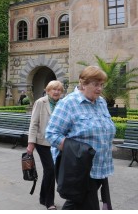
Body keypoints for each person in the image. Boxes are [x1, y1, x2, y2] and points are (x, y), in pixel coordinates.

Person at [45, 66, 116, 210]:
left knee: (79, 203)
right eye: (95, 84)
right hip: (81, 168)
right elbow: (52, 135)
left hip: (100, 166)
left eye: (101, 84)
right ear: (83, 84)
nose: (100, 88)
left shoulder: (101, 102)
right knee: (85, 204)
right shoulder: (68, 103)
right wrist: (78, 152)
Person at [27, 80, 64, 210]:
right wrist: (31, 144)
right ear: (48, 91)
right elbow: (34, 124)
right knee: (51, 170)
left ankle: (43, 197)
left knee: (49, 171)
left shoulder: (62, 104)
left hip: (57, 143)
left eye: (59, 90)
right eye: (54, 89)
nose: (56, 92)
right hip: (42, 142)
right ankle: (49, 202)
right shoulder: (40, 102)